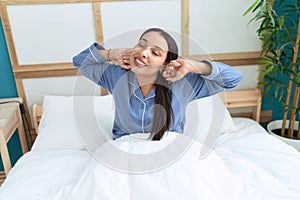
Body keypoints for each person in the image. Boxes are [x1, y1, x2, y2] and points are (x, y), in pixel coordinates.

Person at [73, 28, 242, 140]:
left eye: (155, 52)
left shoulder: (182, 83)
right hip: (124, 149)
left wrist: (194, 66)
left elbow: (233, 79)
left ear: (165, 63)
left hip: (170, 150)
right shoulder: (116, 77)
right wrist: (112, 53)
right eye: (141, 44)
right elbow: (80, 61)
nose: (144, 53)